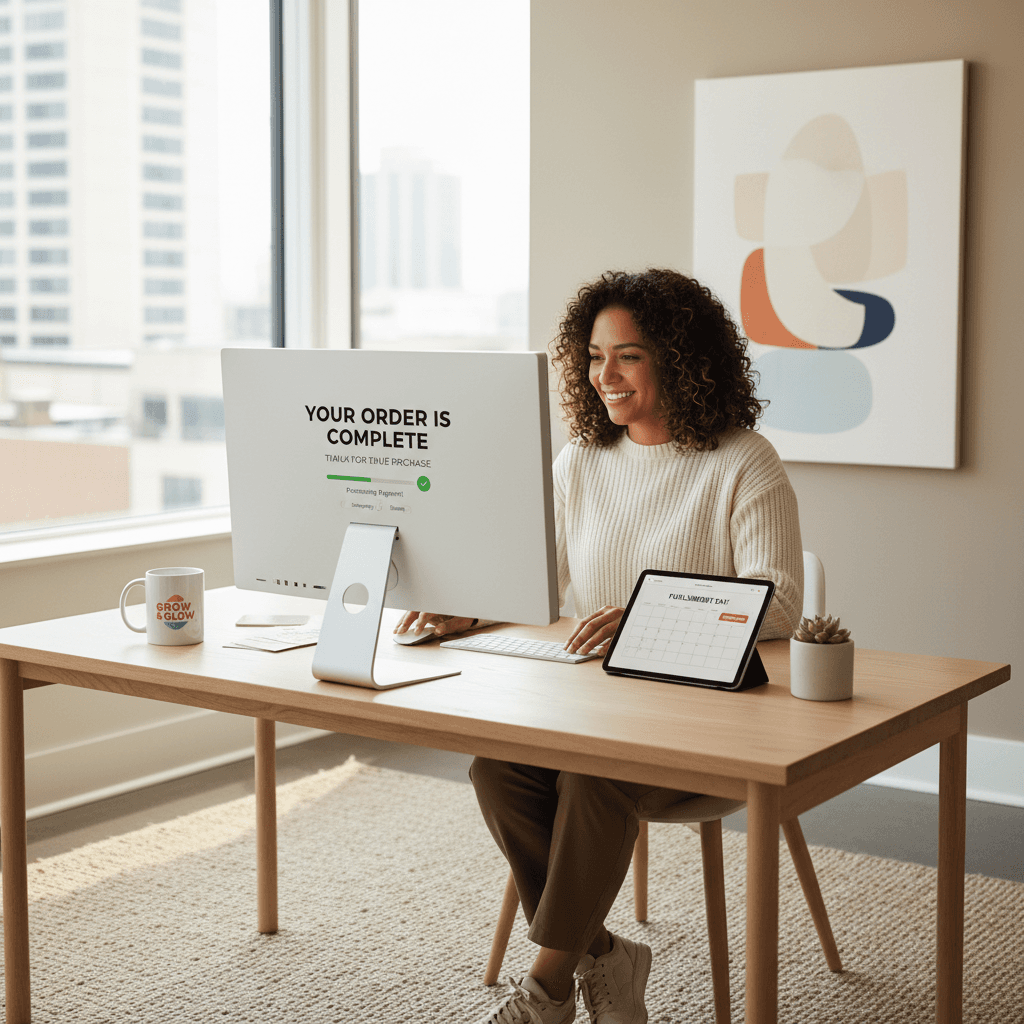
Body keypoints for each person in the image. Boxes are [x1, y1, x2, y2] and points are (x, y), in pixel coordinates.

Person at [397, 268, 803, 1024]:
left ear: (680, 360)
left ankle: (546, 993)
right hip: (591, 705)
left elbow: (778, 600)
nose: (603, 376)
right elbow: (535, 586)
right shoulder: (580, 462)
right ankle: (606, 958)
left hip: (701, 718)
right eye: (592, 356)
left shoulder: (744, 459)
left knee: (593, 777)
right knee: (498, 769)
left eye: (629, 356)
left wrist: (652, 617)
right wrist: (469, 613)